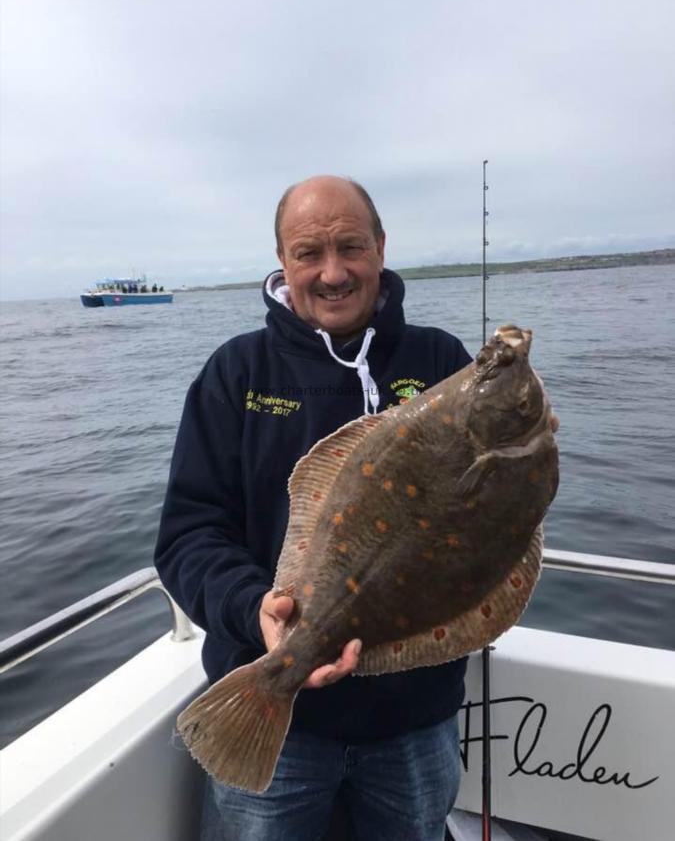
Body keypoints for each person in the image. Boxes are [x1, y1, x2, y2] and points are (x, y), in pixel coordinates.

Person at [155, 175, 472, 841]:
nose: (332, 272)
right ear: (282, 262)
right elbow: (190, 534)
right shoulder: (236, 373)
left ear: (381, 248)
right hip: (275, 709)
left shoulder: (442, 362)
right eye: (308, 253)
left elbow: (480, 519)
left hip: (413, 718)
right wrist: (255, 611)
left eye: (350, 246)